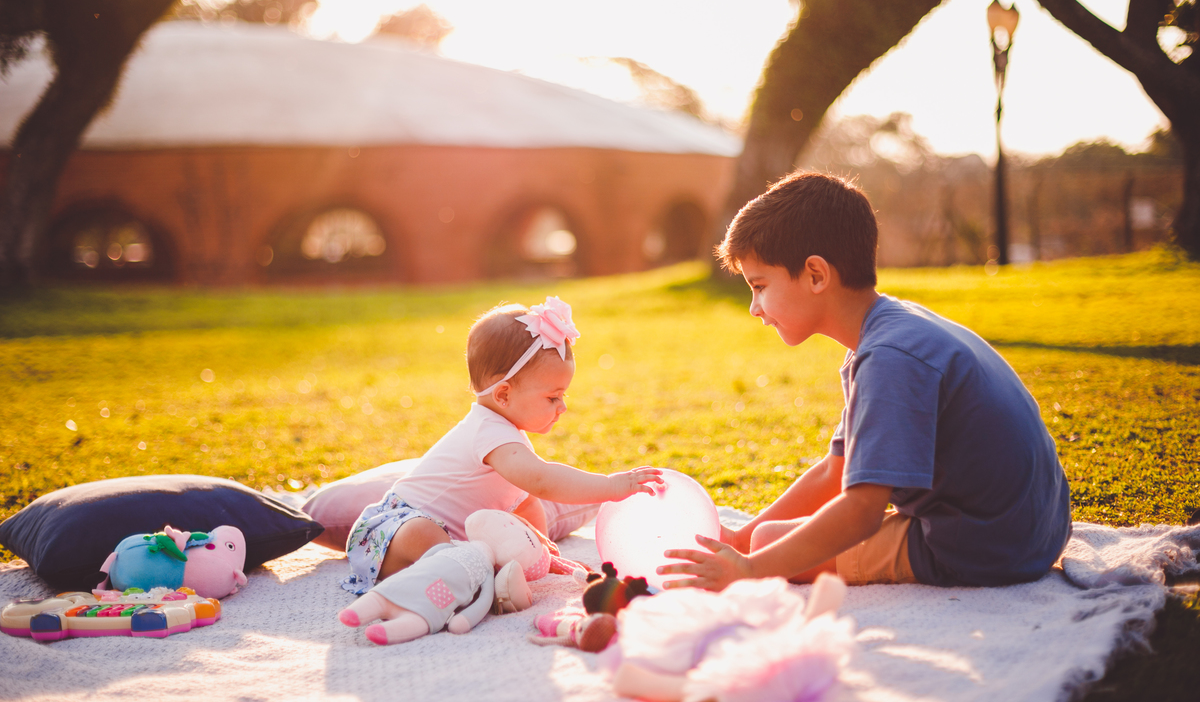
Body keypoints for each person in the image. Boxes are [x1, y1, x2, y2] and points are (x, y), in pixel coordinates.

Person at [659, 172, 1071, 590]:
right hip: (1034, 525)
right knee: (763, 539)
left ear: (816, 275)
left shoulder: (889, 359)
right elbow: (834, 473)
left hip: (990, 545)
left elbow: (861, 511)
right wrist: (739, 540)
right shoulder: (887, 331)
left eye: (760, 286)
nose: (754, 308)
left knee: (772, 548)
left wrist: (750, 569)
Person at [342, 296, 662, 595]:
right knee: (423, 533)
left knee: (481, 547)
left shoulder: (508, 435)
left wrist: (538, 550)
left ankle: (464, 578)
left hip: (449, 545)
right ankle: (452, 584)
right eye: (553, 397)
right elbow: (542, 480)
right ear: (504, 394)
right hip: (387, 534)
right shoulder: (487, 431)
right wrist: (613, 485)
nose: (562, 406)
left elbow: (525, 503)